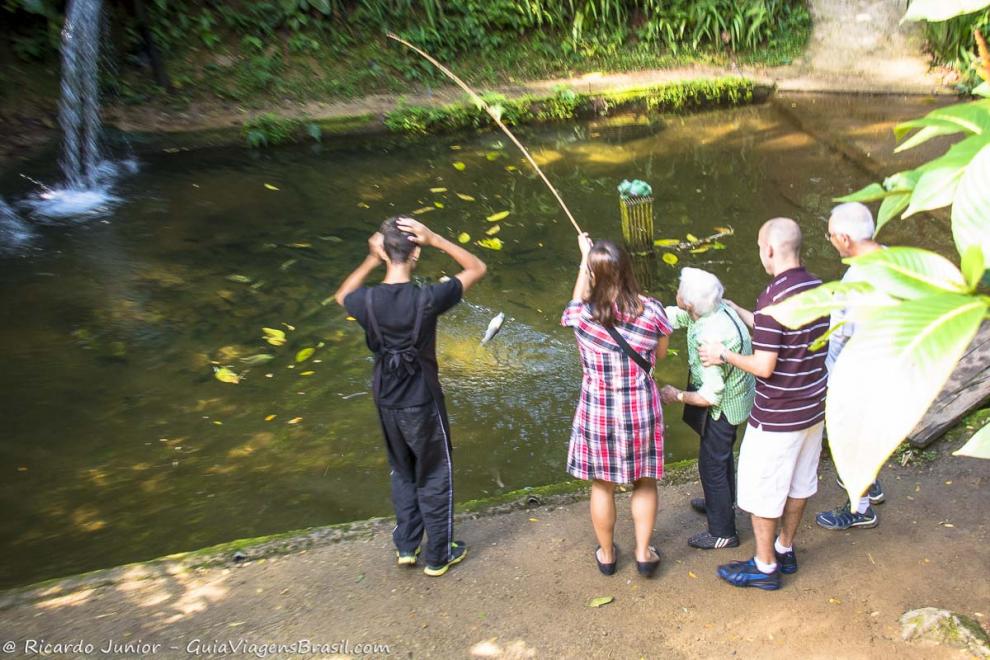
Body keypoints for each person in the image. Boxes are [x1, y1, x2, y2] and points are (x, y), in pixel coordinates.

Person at [334, 216, 486, 577]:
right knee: (435, 473)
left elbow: (342, 295)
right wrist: (437, 239)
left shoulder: (366, 301)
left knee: (402, 469)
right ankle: (438, 554)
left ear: (383, 251)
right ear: (415, 252)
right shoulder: (428, 298)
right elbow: (477, 267)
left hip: (385, 397)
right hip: (422, 398)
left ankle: (407, 544)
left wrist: (371, 260)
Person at [698, 217, 828, 591]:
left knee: (763, 490)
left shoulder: (773, 297)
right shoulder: (818, 287)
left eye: (759, 247)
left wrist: (724, 354)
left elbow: (764, 365)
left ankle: (764, 565)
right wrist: (744, 314)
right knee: (800, 483)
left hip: (777, 417)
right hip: (812, 410)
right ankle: (785, 548)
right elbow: (785, 335)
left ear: (769, 249)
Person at [561, 233, 672, 578]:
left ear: (594, 276)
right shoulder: (652, 310)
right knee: (644, 481)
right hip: (640, 409)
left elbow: (577, 300)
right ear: (628, 270)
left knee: (602, 484)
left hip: (598, 412)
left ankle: (607, 555)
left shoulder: (580, 316)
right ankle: (642, 553)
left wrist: (585, 260)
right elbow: (661, 356)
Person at [660, 268, 755, 550]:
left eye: (679, 289)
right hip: (738, 399)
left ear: (688, 302)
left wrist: (676, 395)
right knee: (720, 458)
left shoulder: (710, 340)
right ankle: (721, 504)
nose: (676, 290)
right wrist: (644, 311)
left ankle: (723, 532)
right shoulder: (715, 308)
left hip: (724, 408)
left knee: (712, 465)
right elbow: (676, 316)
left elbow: (710, 396)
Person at [815, 202, 886, 530]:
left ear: (844, 238)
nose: (830, 240)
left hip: (857, 375)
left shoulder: (855, 283)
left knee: (849, 438)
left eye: (830, 235)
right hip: (890, 364)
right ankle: (871, 484)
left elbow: (840, 340)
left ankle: (860, 508)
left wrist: (829, 377)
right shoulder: (893, 260)